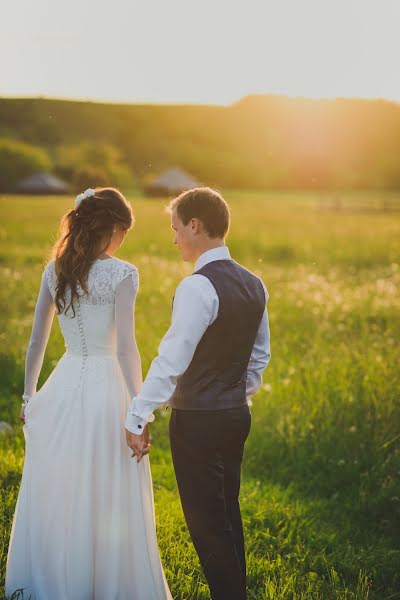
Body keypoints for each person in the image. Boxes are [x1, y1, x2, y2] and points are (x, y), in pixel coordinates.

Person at [6, 187, 172, 600]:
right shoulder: (122, 274)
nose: (123, 242)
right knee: (105, 482)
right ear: (112, 228)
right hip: (106, 386)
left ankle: (60, 573)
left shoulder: (54, 271)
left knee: (66, 482)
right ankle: (105, 579)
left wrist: (29, 397)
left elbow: (36, 343)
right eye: (122, 232)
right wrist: (140, 408)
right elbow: (125, 348)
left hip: (63, 383)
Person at [125, 187, 271, 600]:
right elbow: (260, 356)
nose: (174, 239)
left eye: (176, 229)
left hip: (199, 423)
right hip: (235, 415)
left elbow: (171, 360)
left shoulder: (197, 288)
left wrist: (137, 415)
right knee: (227, 512)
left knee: (208, 525)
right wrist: (233, 395)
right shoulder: (255, 283)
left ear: (195, 225)